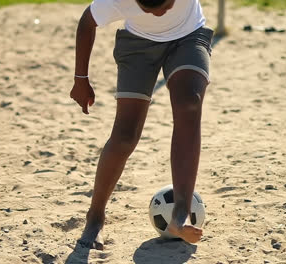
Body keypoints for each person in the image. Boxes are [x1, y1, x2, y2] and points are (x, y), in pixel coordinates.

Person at [70, 0, 213, 250]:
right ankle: (95, 217)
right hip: (137, 44)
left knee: (190, 104)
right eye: (149, 8)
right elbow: (87, 21)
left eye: (166, 5)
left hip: (189, 37)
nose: (159, 12)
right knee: (125, 135)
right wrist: (80, 79)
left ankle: (179, 214)